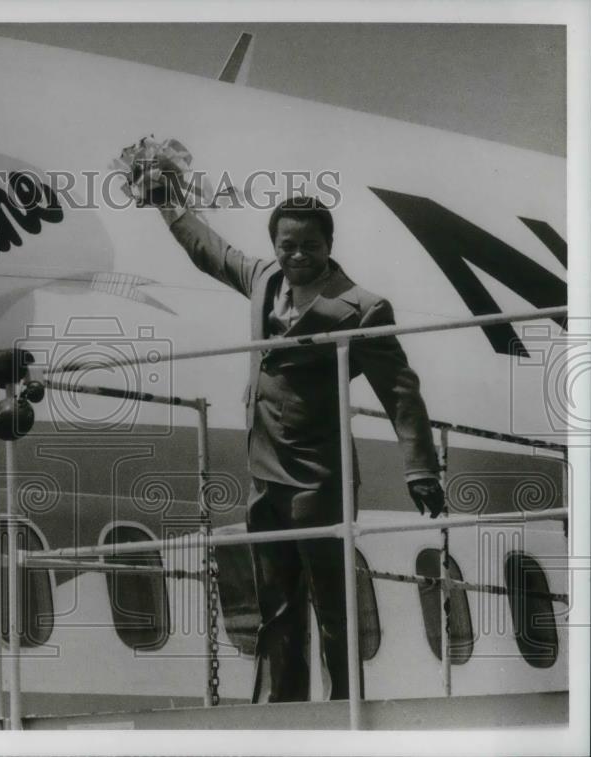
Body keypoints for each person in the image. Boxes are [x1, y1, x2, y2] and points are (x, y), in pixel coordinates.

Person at [155, 193, 445, 703]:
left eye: (310, 244)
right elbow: (211, 251)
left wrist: (420, 469)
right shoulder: (265, 279)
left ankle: (341, 711)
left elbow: (400, 391)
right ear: (275, 245)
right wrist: (168, 205)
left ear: (329, 245)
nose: (298, 255)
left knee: (333, 606)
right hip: (264, 470)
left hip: (319, 476)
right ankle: (280, 710)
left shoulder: (362, 306)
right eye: (287, 244)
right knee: (277, 604)